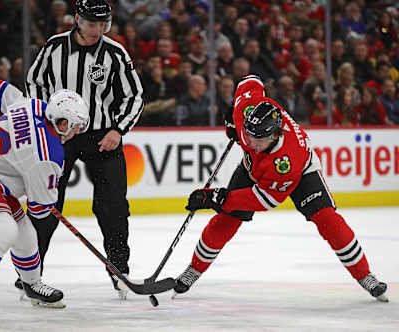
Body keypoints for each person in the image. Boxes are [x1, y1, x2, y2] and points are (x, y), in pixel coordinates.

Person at [173, 74, 389, 303]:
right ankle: (193, 270)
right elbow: (251, 80)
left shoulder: (286, 161)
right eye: (248, 134)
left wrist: (217, 198)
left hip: (301, 173)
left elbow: (265, 199)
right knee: (227, 219)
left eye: (259, 140)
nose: (251, 142)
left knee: (328, 220)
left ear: (275, 134)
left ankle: (365, 276)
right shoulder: (247, 110)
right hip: (253, 168)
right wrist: (231, 116)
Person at [25, 0, 143, 300]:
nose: (98, 30)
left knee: (113, 206)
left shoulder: (114, 52)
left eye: (103, 24)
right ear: (77, 19)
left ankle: (119, 269)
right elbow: (34, 82)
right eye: (92, 24)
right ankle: (30, 276)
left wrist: (118, 130)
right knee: (45, 206)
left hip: (102, 136)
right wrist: (47, 120)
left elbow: (134, 97)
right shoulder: (53, 48)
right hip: (59, 136)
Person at [0, 88, 90, 320]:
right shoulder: (49, 154)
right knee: (5, 229)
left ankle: (31, 284)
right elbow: (40, 210)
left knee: (25, 233)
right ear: (62, 123)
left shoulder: (33, 105)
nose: (76, 131)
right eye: (74, 125)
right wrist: (44, 194)